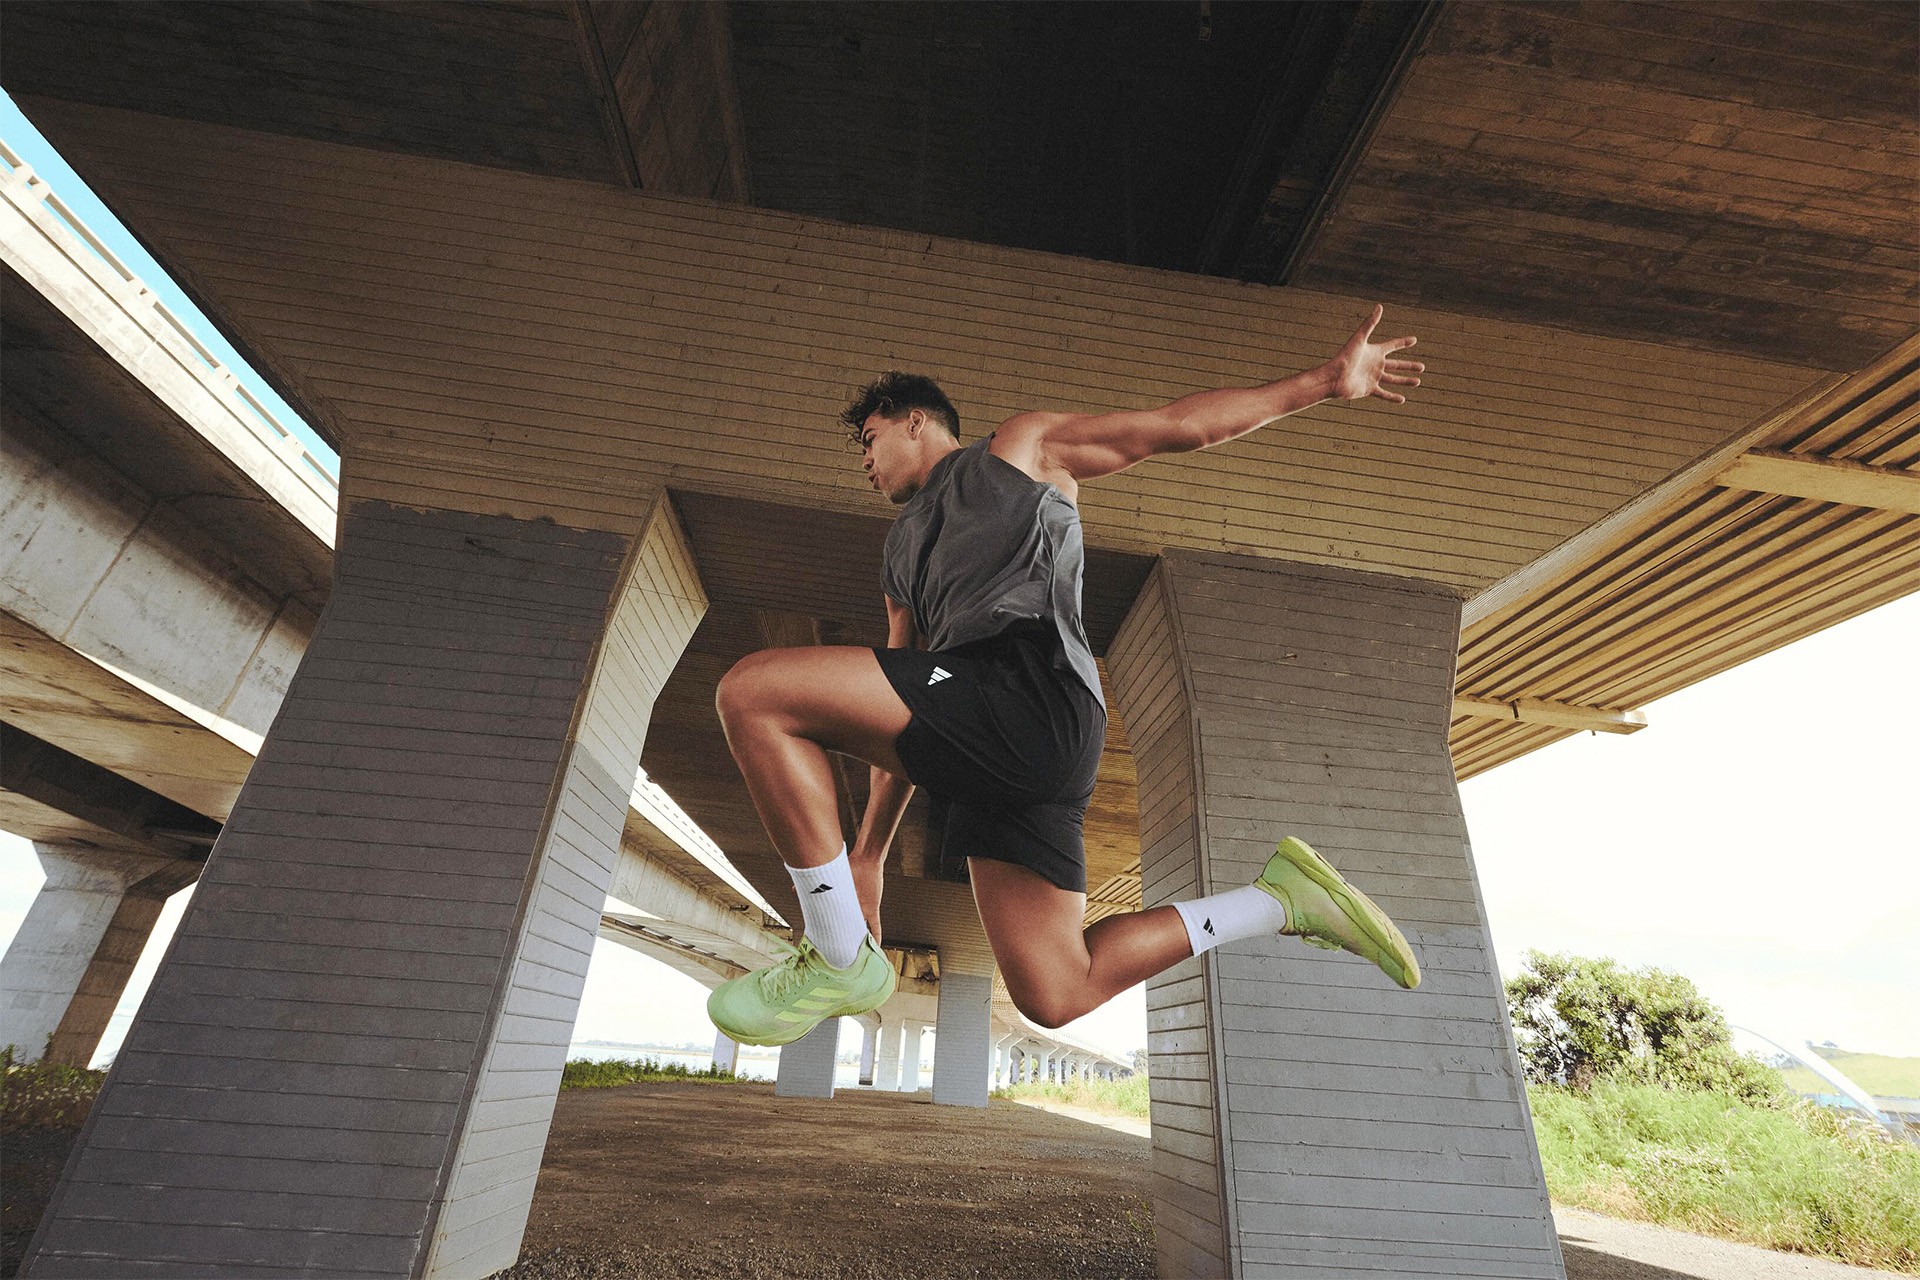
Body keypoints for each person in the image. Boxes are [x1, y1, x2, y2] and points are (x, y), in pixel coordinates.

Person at [707, 304, 1426, 1047]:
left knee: (753, 693)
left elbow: (1177, 425)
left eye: (869, 438)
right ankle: (1278, 902)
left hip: (1028, 692)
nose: (863, 458)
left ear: (916, 420)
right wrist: (868, 858)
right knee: (1056, 991)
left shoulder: (1020, 449)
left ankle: (835, 956)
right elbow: (900, 706)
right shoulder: (900, 556)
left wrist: (1325, 382)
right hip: (984, 748)